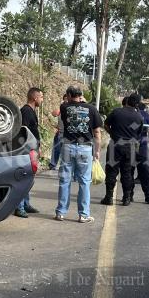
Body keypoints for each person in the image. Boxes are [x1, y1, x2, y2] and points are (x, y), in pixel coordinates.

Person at [55, 86, 103, 223]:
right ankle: (83, 215)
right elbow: (97, 133)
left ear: (69, 95)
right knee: (84, 182)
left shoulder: (64, 108)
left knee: (65, 180)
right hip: (85, 148)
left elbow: (65, 109)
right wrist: (97, 151)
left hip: (68, 146)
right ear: (81, 95)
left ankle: (61, 212)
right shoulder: (92, 109)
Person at [101, 93, 143, 206]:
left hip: (115, 145)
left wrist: (112, 133)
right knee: (127, 173)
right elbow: (138, 133)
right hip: (130, 148)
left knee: (111, 171)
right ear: (137, 104)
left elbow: (106, 124)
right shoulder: (139, 117)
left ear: (128, 100)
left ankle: (109, 197)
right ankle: (126, 198)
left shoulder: (117, 112)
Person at [14, 87, 44, 218]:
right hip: (26, 150)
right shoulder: (26, 111)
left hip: (32, 149)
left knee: (29, 177)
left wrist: (38, 147)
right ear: (35, 98)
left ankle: (26, 203)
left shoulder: (31, 111)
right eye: (41, 97)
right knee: (23, 177)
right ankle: (19, 207)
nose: (42, 100)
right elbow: (24, 131)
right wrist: (30, 148)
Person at [130, 102, 149, 204]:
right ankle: (130, 195)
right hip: (135, 147)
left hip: (139, 147)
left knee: (142, 172)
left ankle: (147, 196)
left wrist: (148, 130)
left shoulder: (145, 115)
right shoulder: (130, 114)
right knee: (134, 172)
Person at [49, 94, 68, 170]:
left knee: (66, 151)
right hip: (60, 132)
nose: (66, 100)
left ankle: (64, 166)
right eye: (65, 99)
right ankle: (53, 164)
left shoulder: (72, 109)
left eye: (67, 99)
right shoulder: (60, 109)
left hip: (68, 134)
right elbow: (53, 114)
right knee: (56, 149)